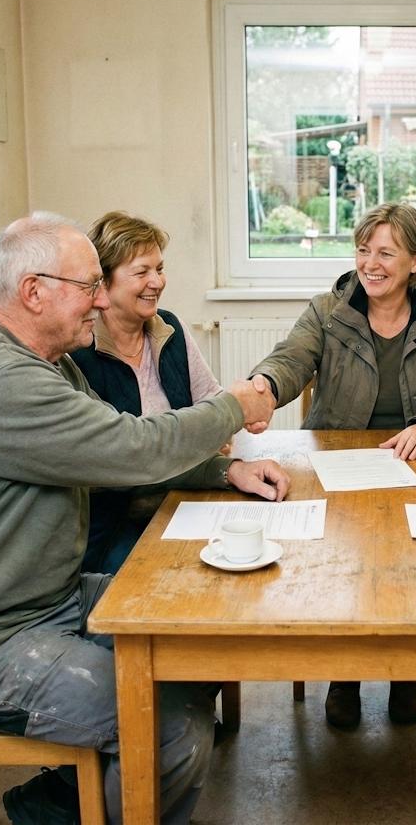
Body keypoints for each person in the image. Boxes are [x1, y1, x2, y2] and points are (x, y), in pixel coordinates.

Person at [0, 212, 277, 825]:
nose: (100, 300)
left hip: (44, 602)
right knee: (172, 727)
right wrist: (234, 405)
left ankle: (62, 803)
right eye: (88, 285)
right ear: (33, 291)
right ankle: (79, 806)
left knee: (193, 640)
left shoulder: (49, 362)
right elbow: (137, 448)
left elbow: (115, 459)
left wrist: (223, 472)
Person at [250, 201, 416, 729]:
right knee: (342, 564)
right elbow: (290, 359)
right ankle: (344, 674)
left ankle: (406, 671)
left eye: (386, 253)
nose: (370, 264)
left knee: (411, 566)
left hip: (415, 466)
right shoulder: (327, 311)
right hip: (337, 463)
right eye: (363, 250)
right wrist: (262, 386)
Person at [71, 211, 288, 574]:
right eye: (141, 272)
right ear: (104, 282)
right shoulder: (78, 351)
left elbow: (215, 412)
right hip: (115, 522)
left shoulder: (169, 328)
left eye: (159, 268)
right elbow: (125, 460)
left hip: (186, 501)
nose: (157, 281)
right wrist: (206, 436)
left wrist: (222, 444)